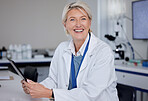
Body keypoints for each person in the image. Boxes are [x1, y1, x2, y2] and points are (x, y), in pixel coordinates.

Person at [21, 1, 119, 101]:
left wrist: (50, 93)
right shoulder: (62, 48)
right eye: (72, 20)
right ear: (65, 24)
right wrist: (35, 88)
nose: (78, 24)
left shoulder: (103, 51)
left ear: (89, 22)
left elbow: (89, 94)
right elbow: (53, 81)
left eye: (83, 19)